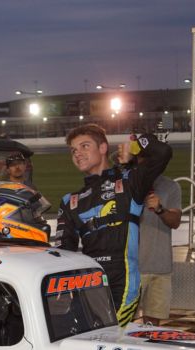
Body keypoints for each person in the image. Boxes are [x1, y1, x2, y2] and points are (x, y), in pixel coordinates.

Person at [57, 123, 172, 327]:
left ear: (103, 148)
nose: (78, 154)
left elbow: (162, 152)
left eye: (85, 146)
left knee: (108, 335)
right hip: (87, 282)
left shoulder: (129, 182)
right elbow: (63, 251)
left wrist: (137, 146)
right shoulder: (69, 201)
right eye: (74, 150)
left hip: (123, 280)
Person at [137, 175, 181, 326]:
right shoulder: (125, 183)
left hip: (160, 267)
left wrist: (160, 209)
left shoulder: (170, 186)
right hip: (131, 268)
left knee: (152, 326)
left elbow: (175, 222)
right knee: (123, 323)